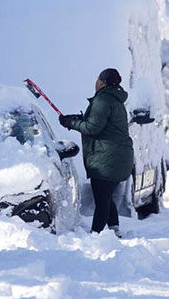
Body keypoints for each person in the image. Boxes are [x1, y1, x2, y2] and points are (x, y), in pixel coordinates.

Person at [58, 68, 134, 236]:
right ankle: (114, 229)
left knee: (101, 198)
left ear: (101, 82)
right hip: (117, 157)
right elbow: (100, 124)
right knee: (106, 196)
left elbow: (92, 128)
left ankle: (97, 236)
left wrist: (71, 123)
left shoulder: (103, 100)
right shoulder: (115, 100)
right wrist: (77, 120)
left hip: (106, 158)